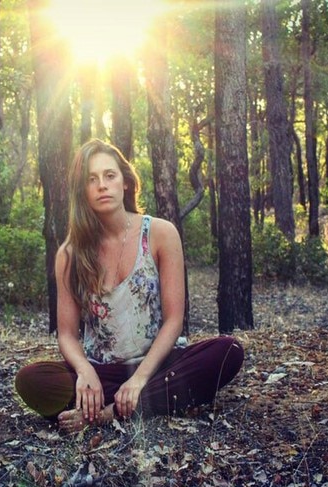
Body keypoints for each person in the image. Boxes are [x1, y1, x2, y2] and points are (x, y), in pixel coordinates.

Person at [14, 139, 244, 433]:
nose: (102, 185)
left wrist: (138, 379)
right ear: (82, 191)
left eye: (109, 175)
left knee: (228, 351)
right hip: (102, 373)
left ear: (125, 182)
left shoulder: (161, 233)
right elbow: (68, 335)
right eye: (91, 179)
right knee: (31, 380)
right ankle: (131, 401)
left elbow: (174, 321)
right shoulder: (69, 254)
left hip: (158, 365)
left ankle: (106, 413)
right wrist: (85, 372)